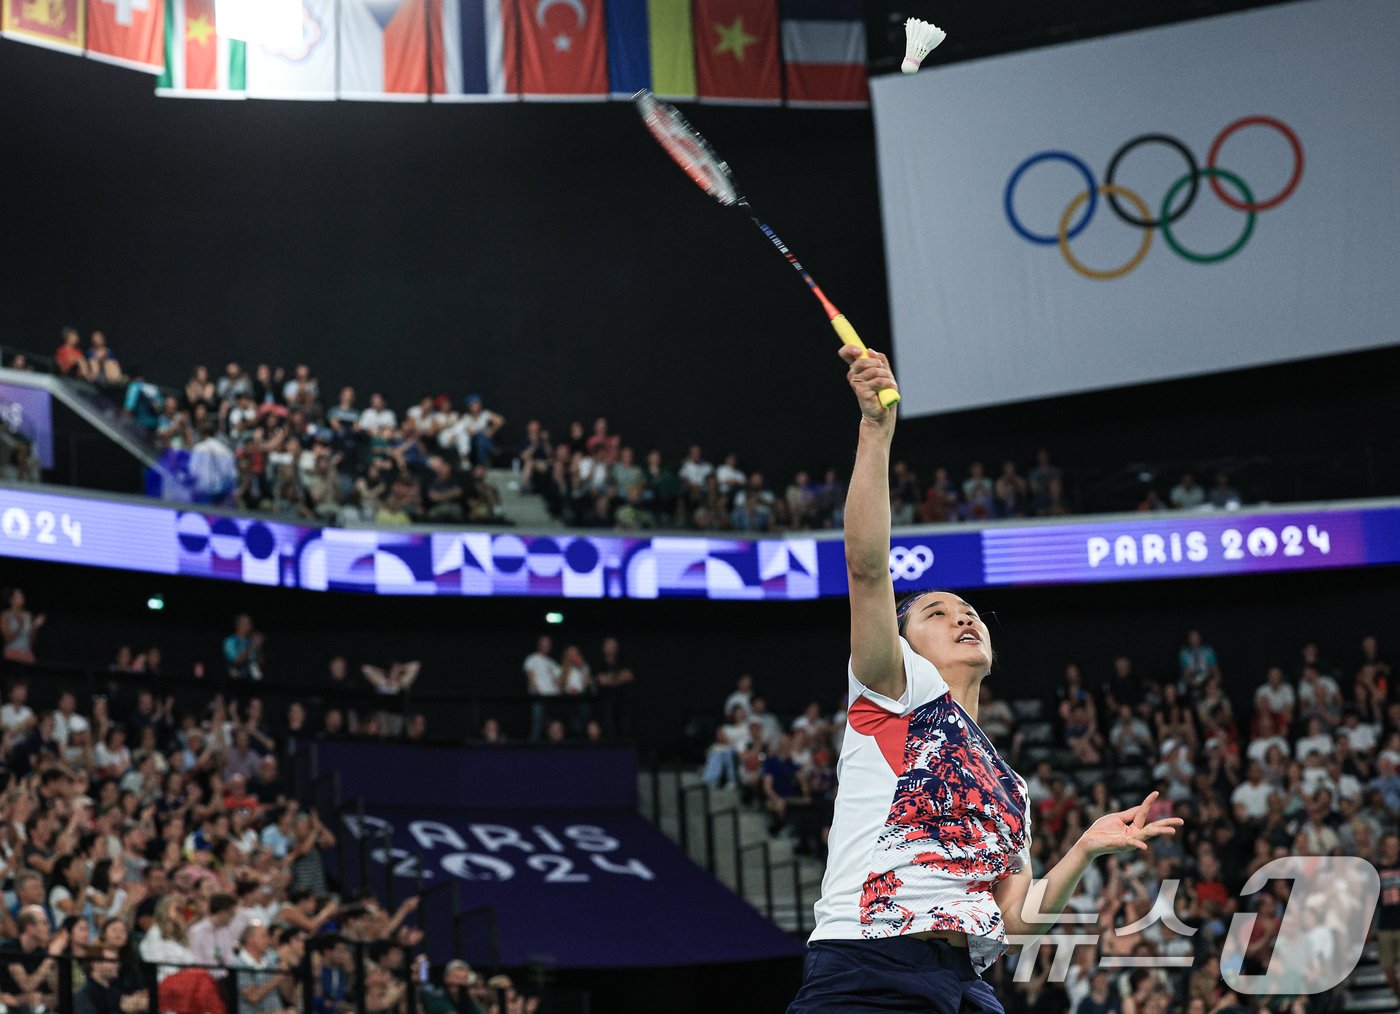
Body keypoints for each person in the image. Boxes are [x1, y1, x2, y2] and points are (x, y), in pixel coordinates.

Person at [789, 345, 1181, 1013]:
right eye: (937, 614)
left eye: (968, 612)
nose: (962, 618)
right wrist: (876, 429)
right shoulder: (895, 692)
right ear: (904, 642)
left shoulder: (1009, 783)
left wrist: (1085, 847)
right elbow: (866, 567)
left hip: (964, 980)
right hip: (869, 962)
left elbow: (1019, 918)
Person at [1, 588, 44, 664]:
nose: (21, 598)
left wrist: (35, 626)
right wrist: (20, 625)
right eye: (18, 596)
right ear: (11, 600)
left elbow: (32, 640)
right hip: (12, 653)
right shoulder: (5, 615)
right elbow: (6, 638)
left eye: (22, 596)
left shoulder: (28, 615)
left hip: (27, 654)